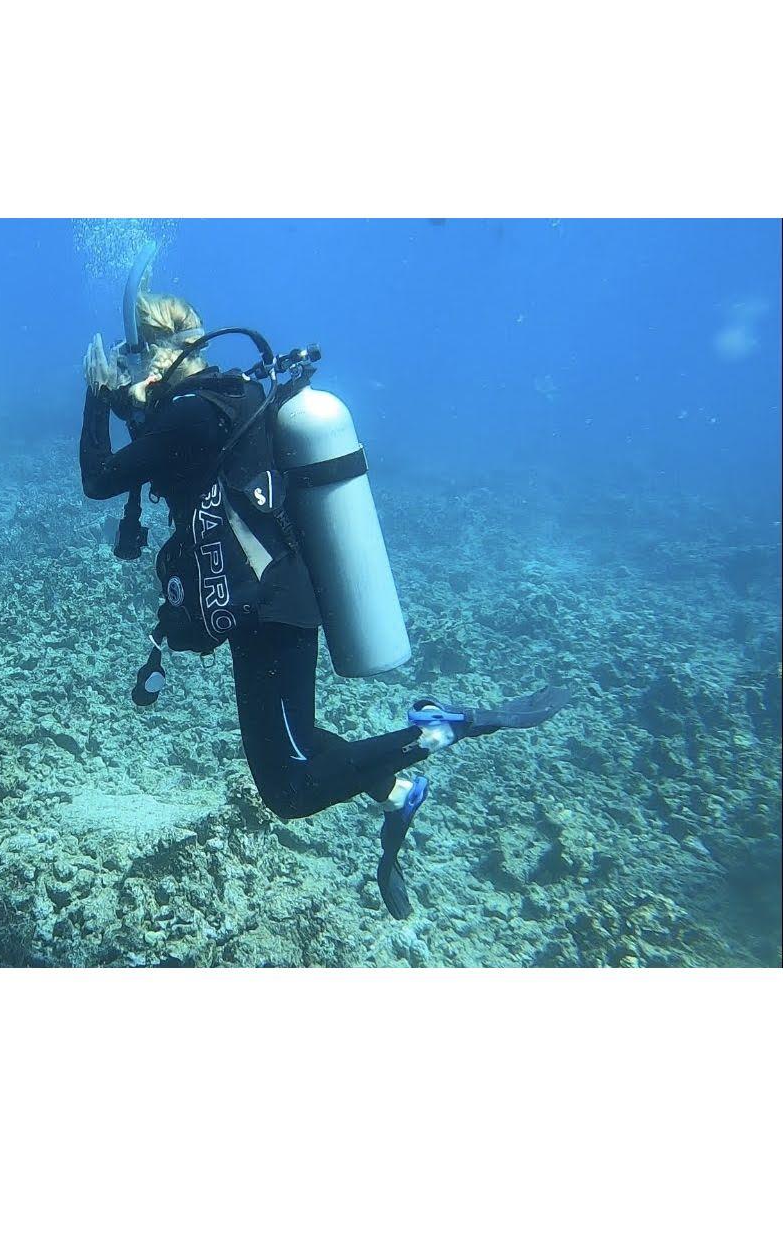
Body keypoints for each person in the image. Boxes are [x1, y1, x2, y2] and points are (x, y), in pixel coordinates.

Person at [78, 270, 571, 919]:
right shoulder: (226, 398)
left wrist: (95, 398)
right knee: (299, 739)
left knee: (288, 788)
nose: (126, 367)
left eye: (132, 353)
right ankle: (396, 792)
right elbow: (170, 441)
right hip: (268, 601)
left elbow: (99, 479)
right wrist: (130, 400)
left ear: (156, 353)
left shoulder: (192, 415)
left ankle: (441, 729)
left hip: (269, 611)